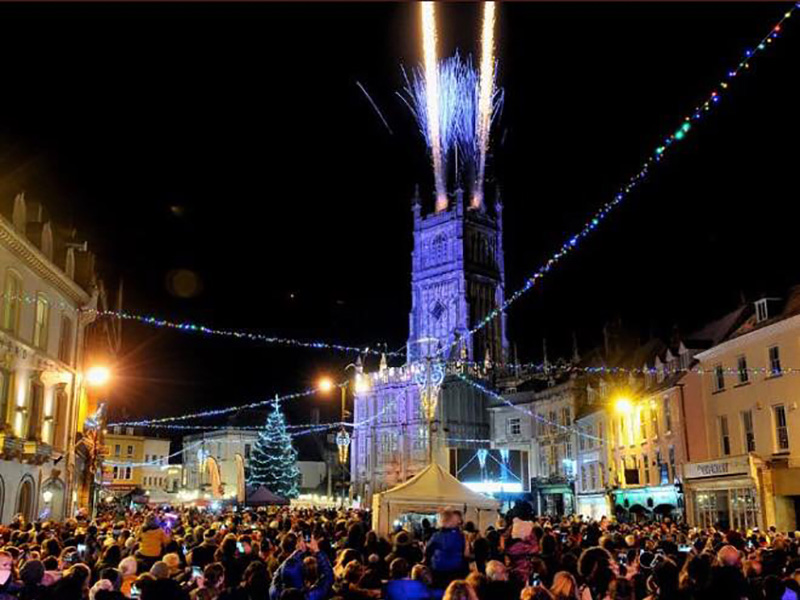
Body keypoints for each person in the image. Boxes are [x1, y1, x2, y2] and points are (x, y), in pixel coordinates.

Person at [425, 509, 467, 589]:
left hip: (438, 569)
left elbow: (428, 550)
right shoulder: (459, 536)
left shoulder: (437, 536)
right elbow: (465, 552)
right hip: (455, 569)